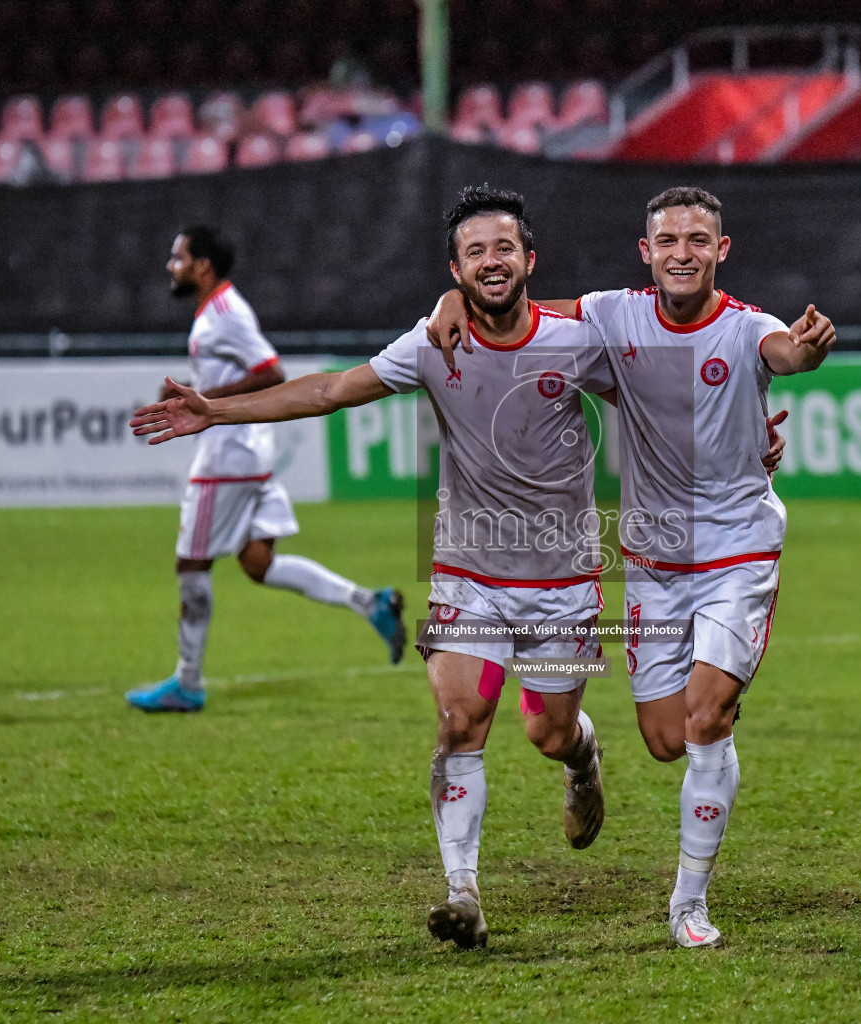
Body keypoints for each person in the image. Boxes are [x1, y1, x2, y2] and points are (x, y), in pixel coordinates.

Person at [131, 188, 612, 949]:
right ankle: (464, 894)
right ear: (455, 267)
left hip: (562, 580)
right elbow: (328, 390)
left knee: (549, 735)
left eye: (504, 248)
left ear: (530, 259)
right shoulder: (432, 343)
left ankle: (583, 761)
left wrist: (746, 444)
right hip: (469, 574)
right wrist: (215, 411)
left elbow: (658, 400)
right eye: (475, 252)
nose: (493, 261)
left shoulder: (579, 341)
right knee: (461, 724)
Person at [426, 186, 836, 948]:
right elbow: (518, 305)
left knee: (706, 718)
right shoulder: (613, 314)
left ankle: (689, 905)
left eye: (698, 239)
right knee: (666, 738)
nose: (684, 251)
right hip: (653, 558)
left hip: (738, 549)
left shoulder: (753, 328)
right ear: (646, 254)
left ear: (722, 251)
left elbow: (786, 353)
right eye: (669, 240)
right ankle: (659, 732)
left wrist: (806, 353)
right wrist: (455, 300)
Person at [125, 225, 406, 713]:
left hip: (227, 456)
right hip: (248, 452)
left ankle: (187, 682)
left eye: (179, 258)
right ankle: (370, 602)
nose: (172, 266)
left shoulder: (226, 313)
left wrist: (203, 403)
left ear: (204, 266)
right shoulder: (218, 311)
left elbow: (270, 372)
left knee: (191, 564)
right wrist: (193, 389)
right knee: (258, 563)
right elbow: (238, 374)